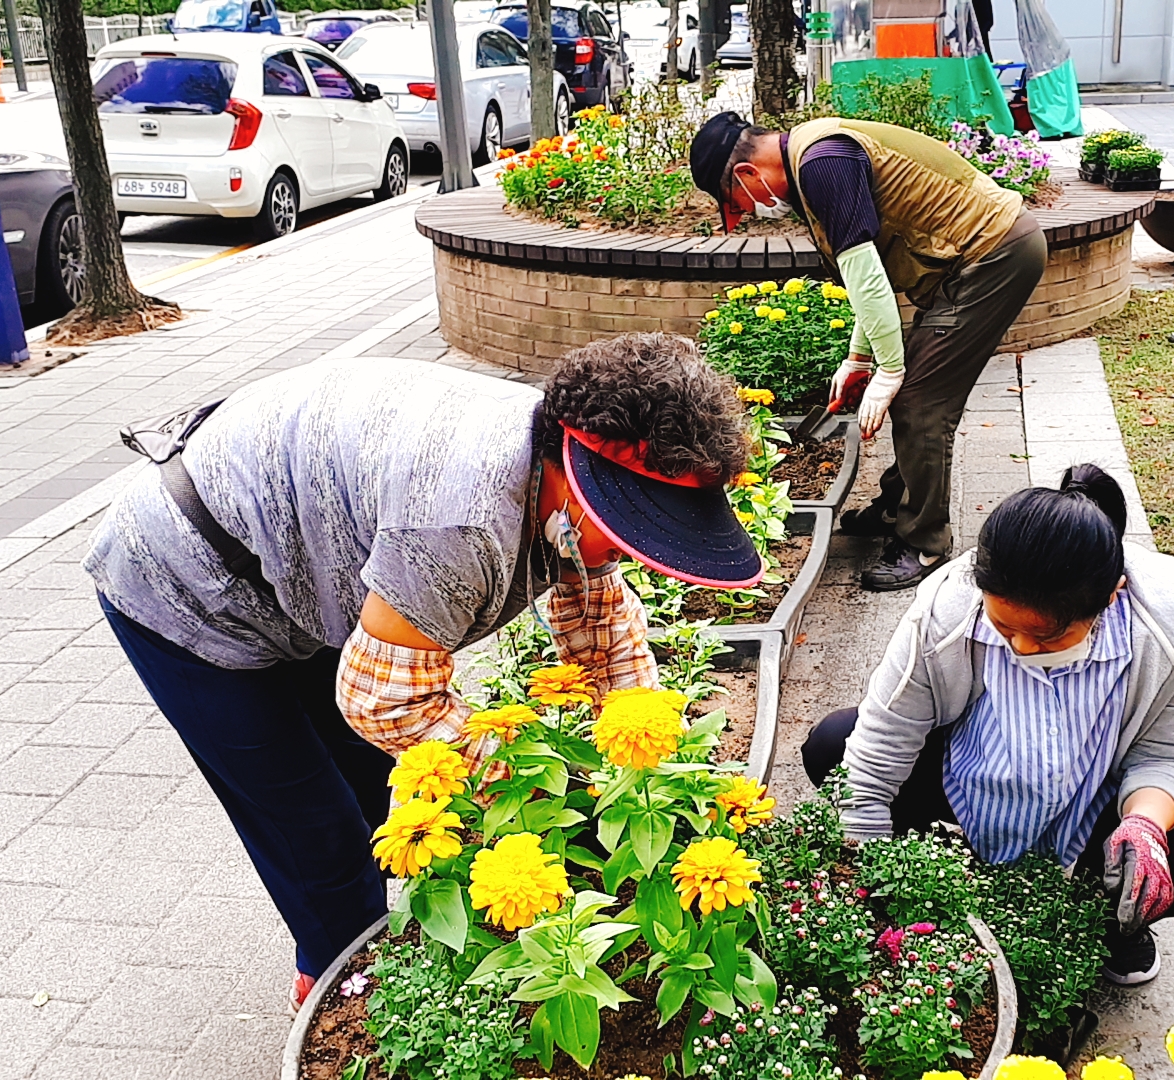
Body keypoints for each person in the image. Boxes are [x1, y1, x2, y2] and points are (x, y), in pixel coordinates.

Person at [85, 336, 761, 1006]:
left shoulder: (553, 470)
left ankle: (370, 949)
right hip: (185, 579)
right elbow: (384, 701)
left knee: (371, 785)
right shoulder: (460, 522)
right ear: (574, 477)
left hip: (294, 567)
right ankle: (342, 991)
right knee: (313, 826)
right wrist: (532, 783)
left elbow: (603, 635)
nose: (631, 551)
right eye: (627, 528)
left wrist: (645, 769)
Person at [800, 465, 1174, 987]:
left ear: (1110, 597)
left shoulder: (1170, 627)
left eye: (1047, 637)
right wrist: (870, 877)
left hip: (1092, 796)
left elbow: (1166, 756)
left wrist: (1145, 825)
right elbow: (884, 735)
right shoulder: (948, 608)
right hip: (965, 775)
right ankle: (935, 870)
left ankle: (1108, 921)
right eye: (1003, 627)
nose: (1022, 648)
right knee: (833, 745)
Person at [689, 111, 1048, 592]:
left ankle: (923, 541)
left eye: (737, 202)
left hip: (995, 255)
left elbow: (867, 274)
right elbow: (868, 274)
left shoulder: (823, 164)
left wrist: (890, 369)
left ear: (747, 173)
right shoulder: (814, 160)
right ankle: (897, 507)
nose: (747, 213)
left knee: (921, 401)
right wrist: (860, 359)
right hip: (976, 259)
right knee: (913, 391)